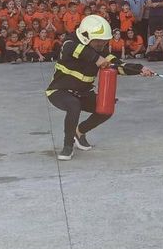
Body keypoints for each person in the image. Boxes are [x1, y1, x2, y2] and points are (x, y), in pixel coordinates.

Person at [46, 15, 154, 160]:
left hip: (83, 93)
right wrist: (97, 59)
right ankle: (68, 145)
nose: (101, 45)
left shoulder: (99, 50)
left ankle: (79, 132)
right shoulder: (70, 43)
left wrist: (139, 69)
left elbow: (118, 66)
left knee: (106, 108)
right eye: (98, 41)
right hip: (59, 91)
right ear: (86, 36)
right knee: (73, 105)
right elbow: (75, 49)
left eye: (103, 41)